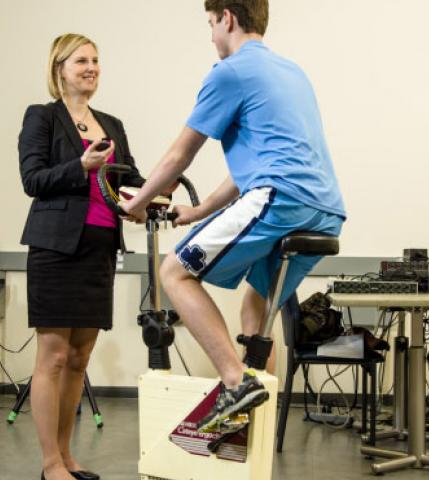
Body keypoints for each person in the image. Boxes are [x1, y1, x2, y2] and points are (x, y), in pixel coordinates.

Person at [119, 0, 347, 434]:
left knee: (174, 273)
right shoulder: (291, 72)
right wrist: (199, 211)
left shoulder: (230, 72)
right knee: (255, 303)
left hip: (282, 199)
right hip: (324, 209)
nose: (210, 36)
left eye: (210, 24)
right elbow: (256, 167)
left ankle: (235, 383)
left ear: (227, 17)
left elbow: (180, 153)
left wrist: (138, 199)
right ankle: (256, 421)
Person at [18, 33, 146, 480]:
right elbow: (32, 179)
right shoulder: (43, 117)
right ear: (59, 69)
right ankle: (50, 462)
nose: (91, 67)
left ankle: (68, 456)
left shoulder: (112, 123)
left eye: (96, 60)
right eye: (81, 61)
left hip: (99, 248)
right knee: (52, 356)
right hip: (55, 249)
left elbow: (132, 178)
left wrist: (149, 199)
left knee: (79, 357)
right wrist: (82, 168)